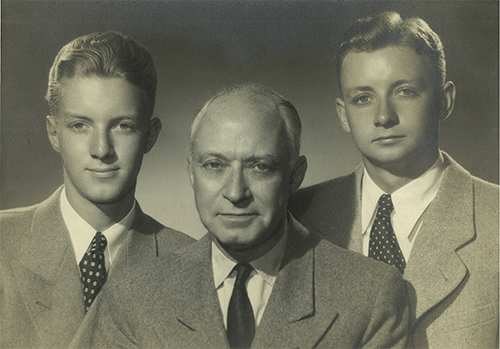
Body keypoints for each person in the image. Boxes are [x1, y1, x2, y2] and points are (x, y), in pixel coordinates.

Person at [75, 82, 410, 349]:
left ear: (295, 175)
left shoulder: (370, 295)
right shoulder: (134, 295)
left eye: (260, 167)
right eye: (214, 166)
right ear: (192, 173)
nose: (235, 192)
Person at [288, 11, 499, 349]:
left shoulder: (495, 219)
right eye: (363, 98)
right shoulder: (297, 219)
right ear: (344, 114)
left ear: (445, 100)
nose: (383, 117)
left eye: (404, 92)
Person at [0, 31, 194, 348]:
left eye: (123, 126)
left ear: (150, 136)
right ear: (53, 133)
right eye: (80, 125)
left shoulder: (192, 269)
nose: (102, 149)